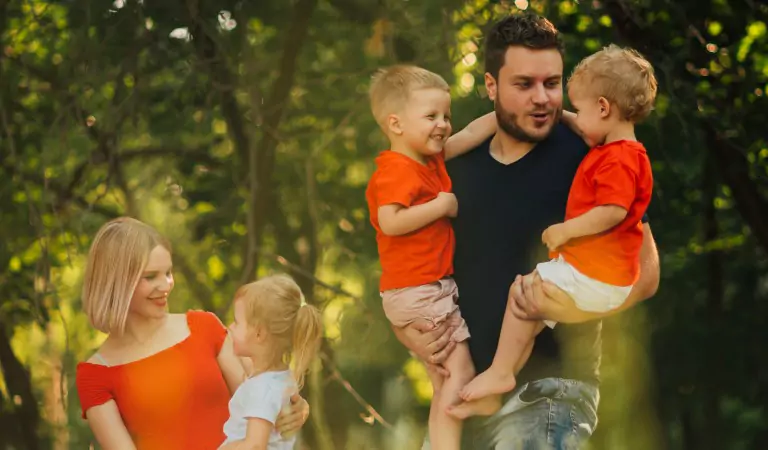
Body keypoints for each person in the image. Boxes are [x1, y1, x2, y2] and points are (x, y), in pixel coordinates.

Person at [389, 13, 660, 448]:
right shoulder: (456, 168)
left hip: (548, 394)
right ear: (491, 85)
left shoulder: (592, 154)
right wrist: (411, 333)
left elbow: (645, 275)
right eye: (524, 84)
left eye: (551, 83)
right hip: (462, 396)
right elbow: (409, 268)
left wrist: (571, 312)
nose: (542, 98)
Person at [459, 44, 657, 404]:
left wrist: (566, 232)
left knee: (522, 292)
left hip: (591, 299)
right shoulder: (616, 150)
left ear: (603, 108)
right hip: (596, 277)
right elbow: (584, 121)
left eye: (578, 109)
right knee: (529, 315)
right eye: (524, 84)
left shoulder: (614, 159)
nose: (573, 117)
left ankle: (501, 373)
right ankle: (500, 380)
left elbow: (614, 214)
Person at [75, 217, 309, 450]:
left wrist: (296, 407)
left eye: (168, 273)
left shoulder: (203, 327)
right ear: (117, 282)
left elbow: (260, 393)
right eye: (151, 276)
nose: (166, 285)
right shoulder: (96, 374)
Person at [365, 65, 496, 449]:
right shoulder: (395, 170)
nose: (443, 125)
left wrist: (505, 111)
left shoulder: (429, 159)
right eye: (431, 116)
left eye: (445, 115)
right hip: (418, 290)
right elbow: (390, 222)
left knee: (443, 379)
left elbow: (470, 134)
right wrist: (441, 205)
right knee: (460, 370)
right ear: (396, 124)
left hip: (420, 289)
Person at [218, 274, 322, 450]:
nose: (230, 327)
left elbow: (255, 446)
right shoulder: (281, 378)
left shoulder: (262, 388)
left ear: (259, 334)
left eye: (237, 322)